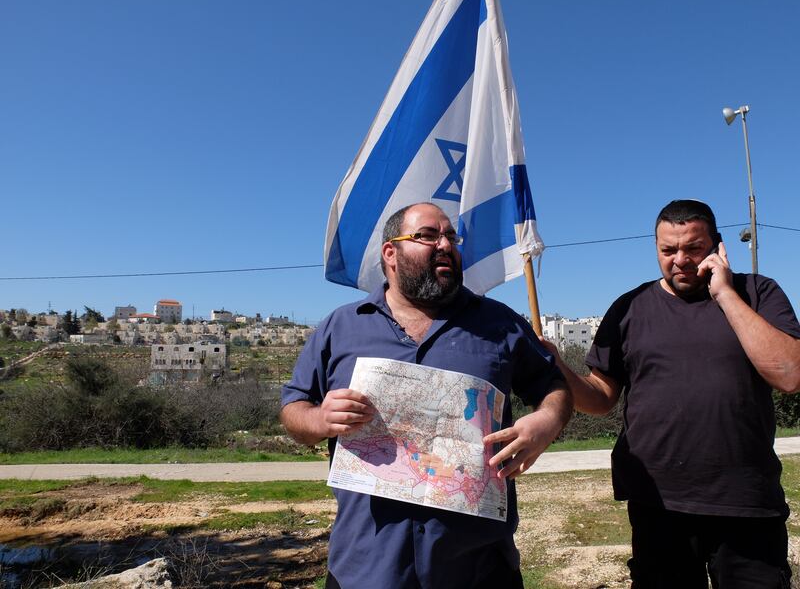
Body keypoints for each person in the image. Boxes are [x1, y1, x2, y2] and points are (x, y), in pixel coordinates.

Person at [280, 202, 571, 589]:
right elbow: (294, 410)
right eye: (428, 236)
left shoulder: (500, 324)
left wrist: (547, 421)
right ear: (391, 253)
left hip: (479, 571)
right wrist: (319, 419)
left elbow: (554, 387)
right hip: (366, 569)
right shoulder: (341, 327)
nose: (445, 245)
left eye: (451, 236)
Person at [543, 199, 800, 588]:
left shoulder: (757, 292)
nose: (679, 260)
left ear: (716, 246)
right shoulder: (630, 308)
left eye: (693, 248)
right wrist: (558, 367)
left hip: (747, 501)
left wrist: (725, 295)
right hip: (658, 503)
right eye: (668, 250)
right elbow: (600, 397)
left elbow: (790, 375)